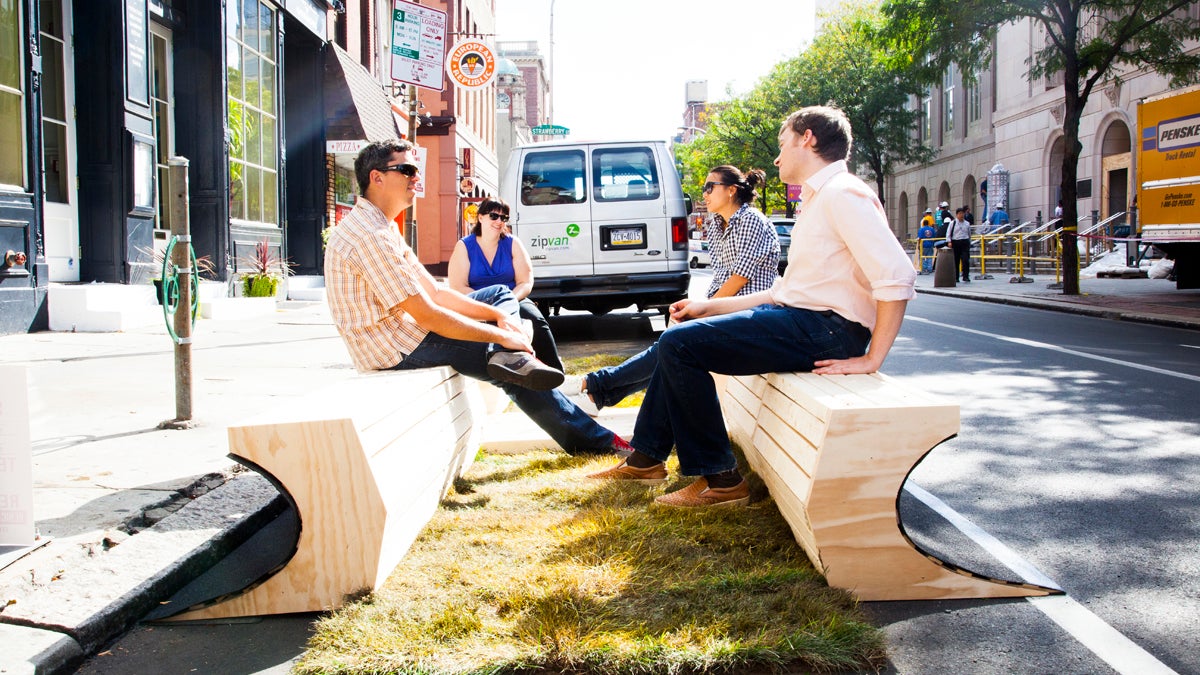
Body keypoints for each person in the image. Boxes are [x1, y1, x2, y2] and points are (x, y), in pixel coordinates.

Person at [588, 106, 916, 507]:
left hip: (827, 330)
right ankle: (646, 460)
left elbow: (897, 274)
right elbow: (786, 292)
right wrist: (707, 308)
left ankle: (722, 481)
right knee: (681, 337)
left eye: (782, 144)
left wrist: (872, 359)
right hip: (801, 318)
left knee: (680, 347)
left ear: (806, 138)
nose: (777, 157)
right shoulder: (820, 199)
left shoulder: (844, 193)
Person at [324, 139, 632, 456]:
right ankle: (598, 444)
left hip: (407, 336)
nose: (417, 177)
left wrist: (500, 318)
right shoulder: (370, 236)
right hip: (394, 349)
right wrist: (501, 337)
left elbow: (436, 291)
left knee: (499, 296)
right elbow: (427, 313)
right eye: (407, 170)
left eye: (416, 170)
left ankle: (517, 356)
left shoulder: (382, 227)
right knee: (510, 367)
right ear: (377, 178)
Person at [559, 165, 779, 416]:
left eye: (710, 187)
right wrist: (699, 307)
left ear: (731, 190)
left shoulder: (752, 221)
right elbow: (720, 279)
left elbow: (739, 278)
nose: (704, 194)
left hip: (753, 315)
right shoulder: (717, 225)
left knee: (673, 343)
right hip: (727, 311)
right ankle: (598, 394)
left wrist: (703, 310)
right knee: (670, 346)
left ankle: (594, 385)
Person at [447, 196, 561, 371]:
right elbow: (458, 287)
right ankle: (506, 366)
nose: (499, 221)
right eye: (494, 216)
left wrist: (508, 301)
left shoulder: (513, 243)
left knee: (536, 321)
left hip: (514, 297)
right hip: (477, 301)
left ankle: (555, 372)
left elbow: (525, 281)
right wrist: (489, 309)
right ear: (480, 217)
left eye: (504, 218)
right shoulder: (464, 246)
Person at [946, 207, 972, 282]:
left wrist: (969, 241)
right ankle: (956, 277)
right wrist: (949, 241)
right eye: (960, 213)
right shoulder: (952, 223)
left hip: (965, 242)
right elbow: (948, 233)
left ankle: (965, 276)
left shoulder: (967, 223)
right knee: (956, 260)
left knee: (965, 260)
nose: (961, 215)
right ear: (957, 215)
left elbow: (969, 233)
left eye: (962, 213)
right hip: (956, 242)